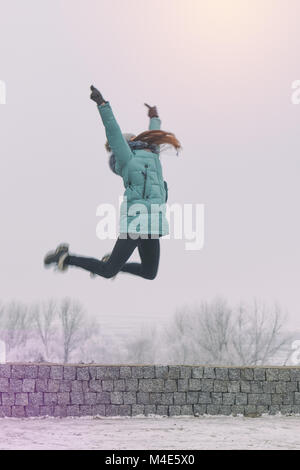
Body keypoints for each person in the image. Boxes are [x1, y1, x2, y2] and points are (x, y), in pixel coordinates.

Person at [44, 85, 182, 280]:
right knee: (108, 271)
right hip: (136, 223)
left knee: (149, 272)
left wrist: (154, 117)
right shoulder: (128, 158)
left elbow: (154, 136)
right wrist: (102, 105)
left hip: (154, 223)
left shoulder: (152, 154)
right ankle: (66, 258)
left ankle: (112, 262)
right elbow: (113, 131)